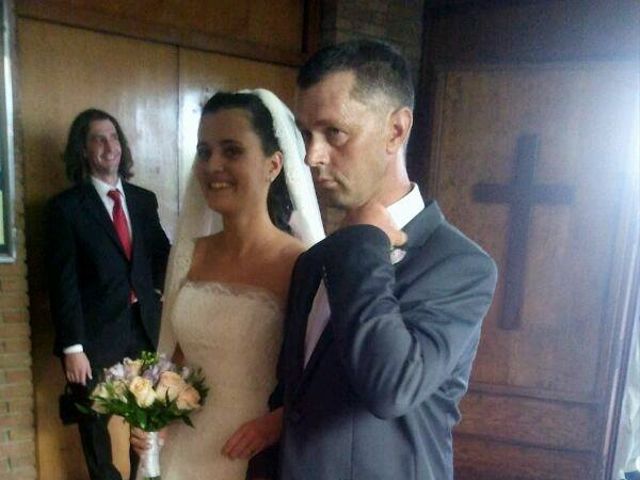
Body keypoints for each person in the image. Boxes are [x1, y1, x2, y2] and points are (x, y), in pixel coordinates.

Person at [270, 39, 498, 480]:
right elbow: (296, 398)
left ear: (396, 130)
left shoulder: (461, 265)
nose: (311, 156)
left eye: (334, 133)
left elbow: (390, 386)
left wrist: (363, 243)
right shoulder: (313, 261)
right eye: (305, 134)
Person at [130, 89, 324, 480]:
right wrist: (154, 410)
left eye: (232, 151)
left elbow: (323, 377)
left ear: (273, 164)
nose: (212, 165)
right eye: (204, 152)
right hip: (183, 449)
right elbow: (177, 353)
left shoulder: (300, 263)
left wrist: (278, 421)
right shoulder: (189, 253)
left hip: (252, 453)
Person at [46, 109, 171, 480]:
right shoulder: (66, 209)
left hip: (143, 328)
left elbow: (162, 255)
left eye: (114, 137)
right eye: (98, 139)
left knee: (144, 418)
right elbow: (61, 282)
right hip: (94, 337)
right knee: (95, 424)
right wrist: (73, 348)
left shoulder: (143, 200)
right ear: (83, 151)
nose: (109, 146)